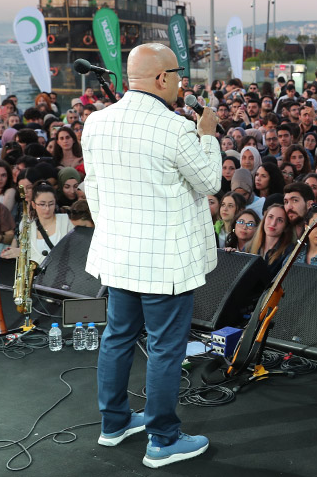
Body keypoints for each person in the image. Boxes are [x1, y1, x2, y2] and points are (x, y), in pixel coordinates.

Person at [81, 44, 219, 468]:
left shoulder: (95, 123)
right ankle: (163, 439)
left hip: (117, 255)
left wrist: (114, 234)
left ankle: (115, 422)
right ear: (162, 79)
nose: (182, 82)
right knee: (164, 349)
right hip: (165, 265)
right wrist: (208, 134)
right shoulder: (175, 129)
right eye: (178, 74)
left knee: (117, 337)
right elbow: (211, 181)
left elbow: (95, 192)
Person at [0, 182, 73, 265]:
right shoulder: (26, 225)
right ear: (34, 205)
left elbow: (71, 254)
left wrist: (24, 254)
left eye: (51, 204)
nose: (47, 208)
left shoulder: (67, 221)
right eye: (42, 204)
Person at [244, 203, 293, 276]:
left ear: (286, 226)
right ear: (264, 219)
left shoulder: (289, 252)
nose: (273, 223)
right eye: (270, 217)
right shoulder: (248, 246)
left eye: (280, 220)